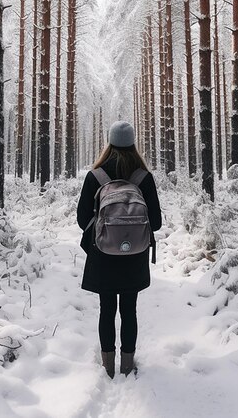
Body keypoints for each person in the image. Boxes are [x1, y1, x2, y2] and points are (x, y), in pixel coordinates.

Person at [77, 120, 162, 379]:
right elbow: (155, 222)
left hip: (102, 254)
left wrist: (104, 232)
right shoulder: (143, 177)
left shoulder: (96, 176)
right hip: (134, 255)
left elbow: (82, 218)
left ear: (109, 143)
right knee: (129, 309)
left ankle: (107, 366)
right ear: (133, 143)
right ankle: (127, 364)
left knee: (106, 309)